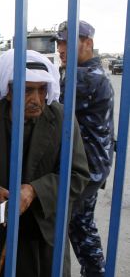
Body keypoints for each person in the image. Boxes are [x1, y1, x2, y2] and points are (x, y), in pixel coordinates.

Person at [0, 49, 89, 276]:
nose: (36, 99)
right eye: (27, 90)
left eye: (41, 90)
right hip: (2, 232)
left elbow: (78, 174)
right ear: (8, 92)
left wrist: (35, 190)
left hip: (46, 235)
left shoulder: (62, 119)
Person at [53, 20, 115, 277]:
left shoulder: (86, 78)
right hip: (91, 165)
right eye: (59, 42)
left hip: (85, 167)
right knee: (80, 225)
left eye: (66, 42)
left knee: (67, 224)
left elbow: (46, 100)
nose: (60, 48)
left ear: (87, 43)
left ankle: (94, 271)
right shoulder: (91, 74)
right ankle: (95, 271)